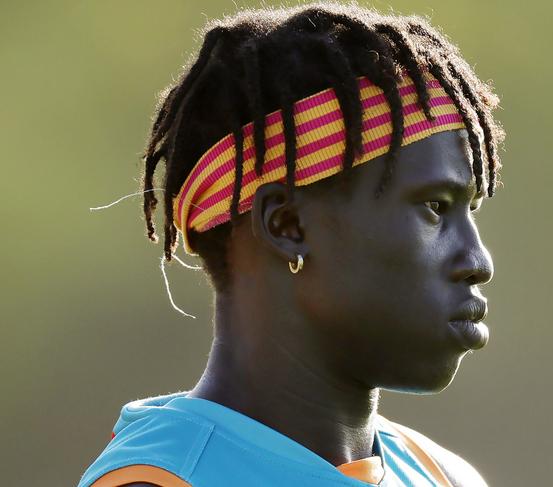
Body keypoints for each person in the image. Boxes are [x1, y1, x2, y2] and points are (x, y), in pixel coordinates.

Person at [78, 2, 505, 486]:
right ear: (286, 225)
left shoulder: (447, 477)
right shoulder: (167, 479)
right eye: (433, 207)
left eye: (468, 211)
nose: (478, 261)